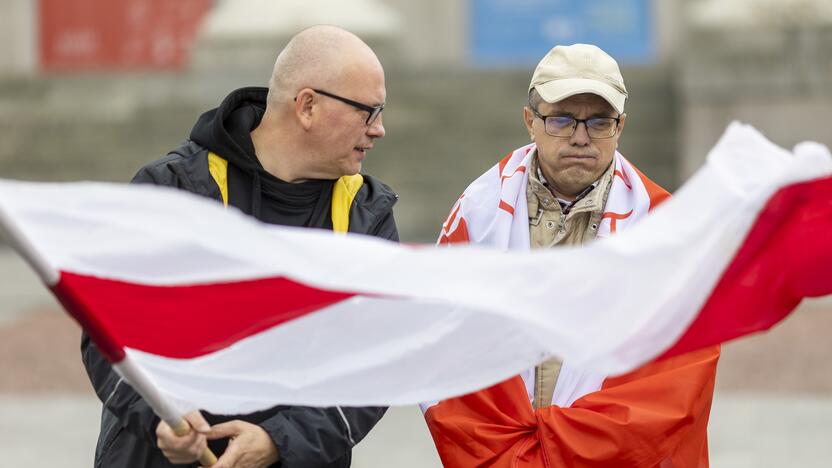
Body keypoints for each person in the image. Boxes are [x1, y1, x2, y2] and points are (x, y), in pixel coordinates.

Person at [81, 25, 397, 468]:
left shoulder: (368, 214)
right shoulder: (173, 190)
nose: (380, 129)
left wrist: (278, 442)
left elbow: (379, 363)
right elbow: (106, 329)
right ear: (307, 106)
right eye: (369, 111)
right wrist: (161, 420)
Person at [422, 44, 720, 467]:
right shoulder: (477, 214)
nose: (581, 136)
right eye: (561, 119)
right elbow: (446, 355)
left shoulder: (667, 229)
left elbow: (675, 386)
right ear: (531, 122)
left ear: (620, 127)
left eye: (599, 121)